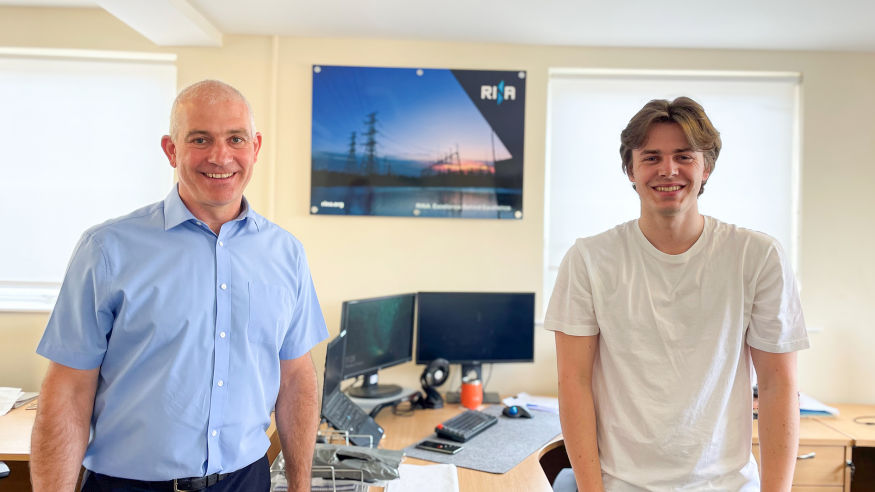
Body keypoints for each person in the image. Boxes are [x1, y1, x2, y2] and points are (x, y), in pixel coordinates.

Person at [30, 80, 328, 492]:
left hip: (247, 481)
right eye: (200, 139)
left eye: (235, 139)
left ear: (255, 147)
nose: (220, 156)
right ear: (171, 150)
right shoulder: (106, 249)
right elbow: (67, 390)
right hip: (129, 485)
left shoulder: (286, 254)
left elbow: (295, 377)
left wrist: (300, 486)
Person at [546, 97, 809, 491]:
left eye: (683, 156)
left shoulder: (756, 256)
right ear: (631, 170)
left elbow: (777, 385)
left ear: (706, 168)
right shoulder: (589, 259)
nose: (668, 170)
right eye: (651, 157)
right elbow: (574, 382)